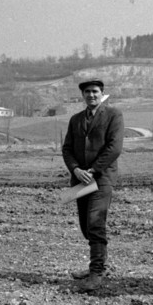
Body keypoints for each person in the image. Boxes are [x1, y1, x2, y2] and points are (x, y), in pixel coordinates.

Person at [62, 79, 124, 291]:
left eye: (95, 92)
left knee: (95, 223)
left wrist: (93, 170)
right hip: (81, 181)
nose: (91, 95)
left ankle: (96, 272)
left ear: (102, 93)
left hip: (102, 178)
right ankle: (97, 265)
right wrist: (76, 169)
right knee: (85, 226)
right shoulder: (75, 120)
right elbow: (67, 149)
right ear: (83, 95)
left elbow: (114, 147)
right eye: (87, 92)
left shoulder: (114, 115)